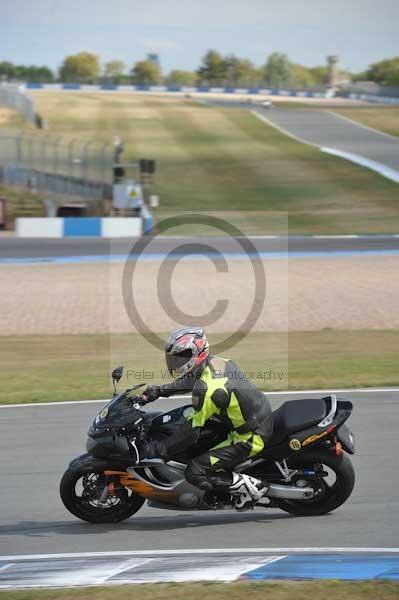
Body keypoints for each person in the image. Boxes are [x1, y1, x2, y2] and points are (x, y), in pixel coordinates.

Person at [140, 327, 273, 510]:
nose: (176, 362)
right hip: (253, 415)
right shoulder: (217, 362)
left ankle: (250, 487)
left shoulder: (207, 389)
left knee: (195, 471)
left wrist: (159, 448)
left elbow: (191, 431)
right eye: (174, 357)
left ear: (196, 354)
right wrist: (161, 391)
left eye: (181, 357)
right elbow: (190, 380)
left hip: (250, 436)